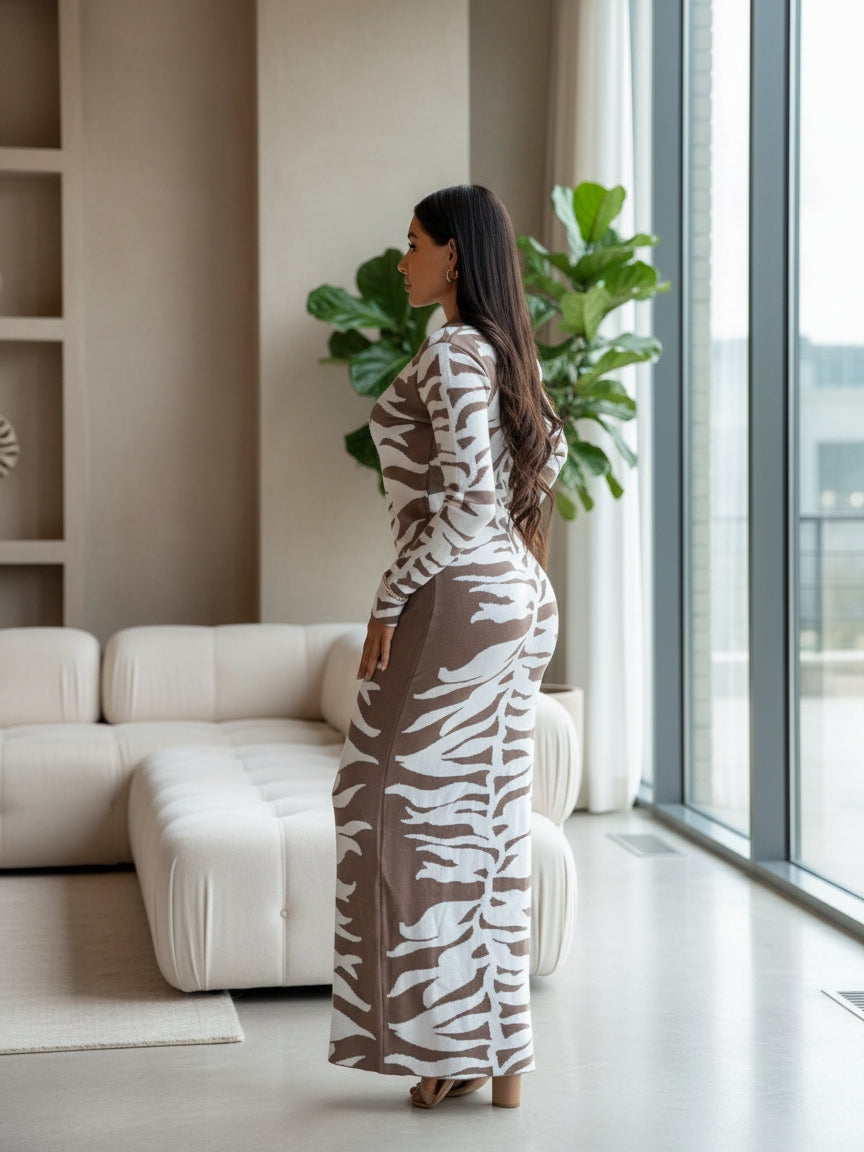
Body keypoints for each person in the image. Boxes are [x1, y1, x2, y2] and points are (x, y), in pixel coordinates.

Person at [328, 185, 566, 1110]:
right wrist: (505, 571)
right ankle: (496, 1054)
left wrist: (391, 597)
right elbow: (543, 457)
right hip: (518, 599)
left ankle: (451, 1036)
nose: (402, 260)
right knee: (488, 824)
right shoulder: (501, 351)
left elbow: (467, 501)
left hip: (455, 604)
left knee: (380, 804)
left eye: (415, 243)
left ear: (454, 256)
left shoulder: (454, 353)